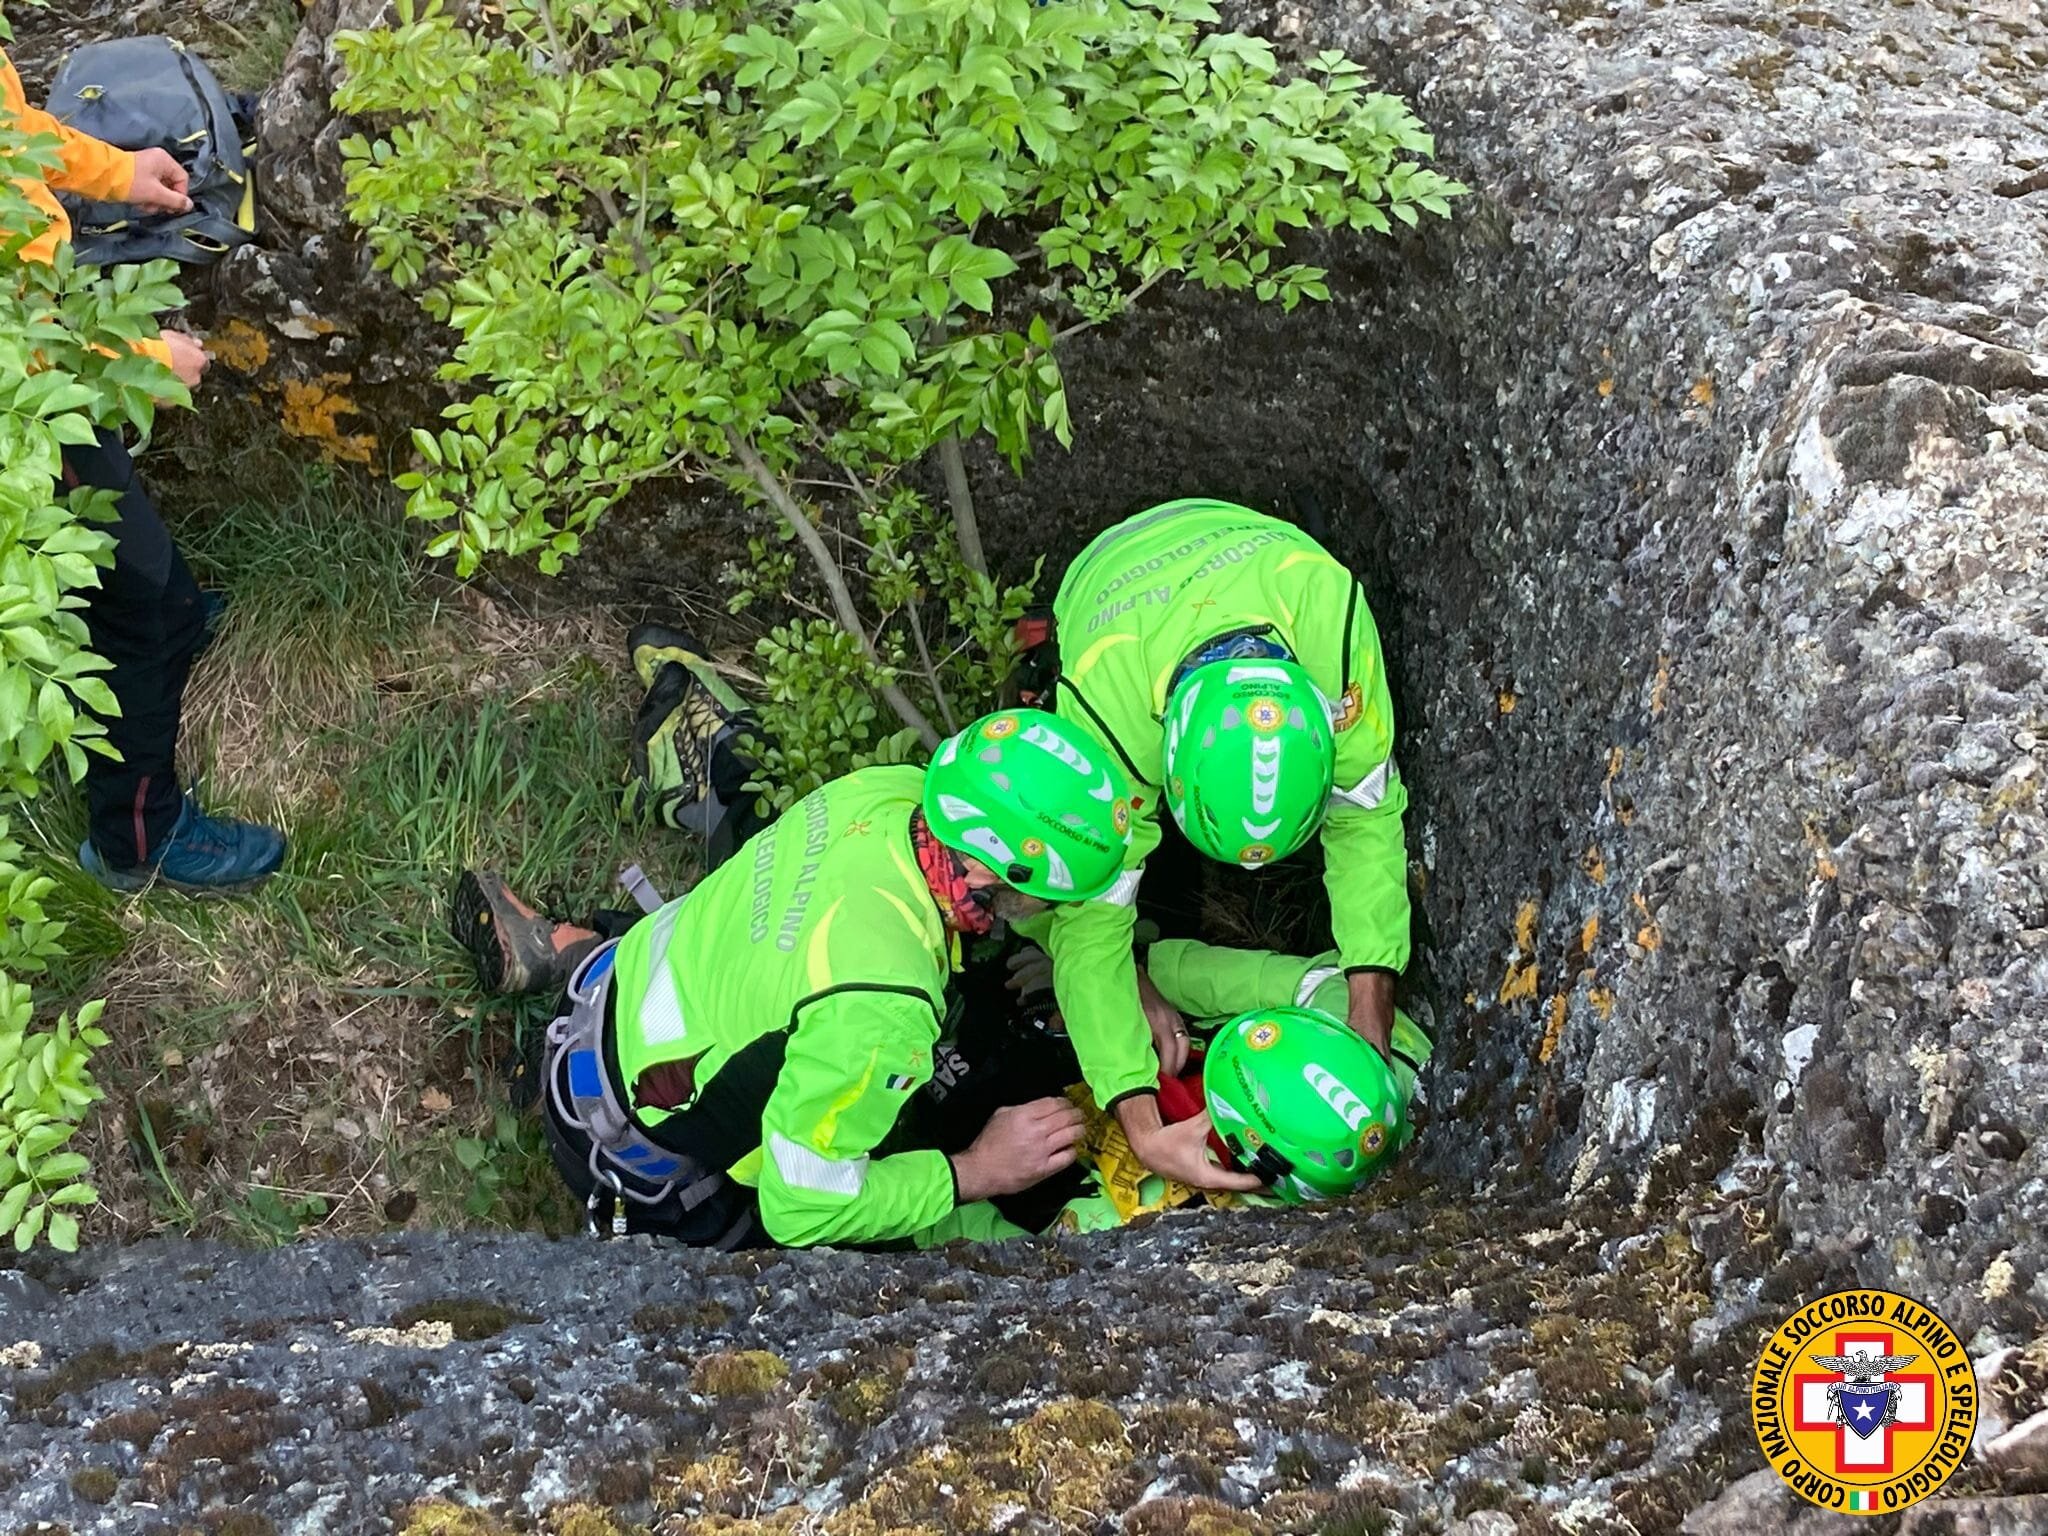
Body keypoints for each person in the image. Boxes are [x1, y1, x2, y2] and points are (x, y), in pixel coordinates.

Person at [451, 708, 1156, 1250]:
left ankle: (568, 951)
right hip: (635, 1157)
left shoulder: (893, 797)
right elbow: (801, 1207)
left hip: (625, 986)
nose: (1064, 914)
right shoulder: (883, 1006)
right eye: (1059, 900)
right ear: (982, 874)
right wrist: (977, 1169)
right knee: (847, 1270)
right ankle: (555, 1108)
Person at [1032, 497, 1409, 1193]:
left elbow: (1364, 816)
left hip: (1259, 548)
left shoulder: (1335, 620)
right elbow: (1089, 923)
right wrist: (1142, 1125)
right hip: (1105, 580)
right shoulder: (1102, 713)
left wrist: (1368, 1011)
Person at [3, 46, 285, 893]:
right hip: (22, 402)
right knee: (127, 596)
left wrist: (115, 173)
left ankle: (174, 623)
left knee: (139, 564)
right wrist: (126, 357)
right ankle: (136, 840)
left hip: (41, 345)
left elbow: (12, 131)